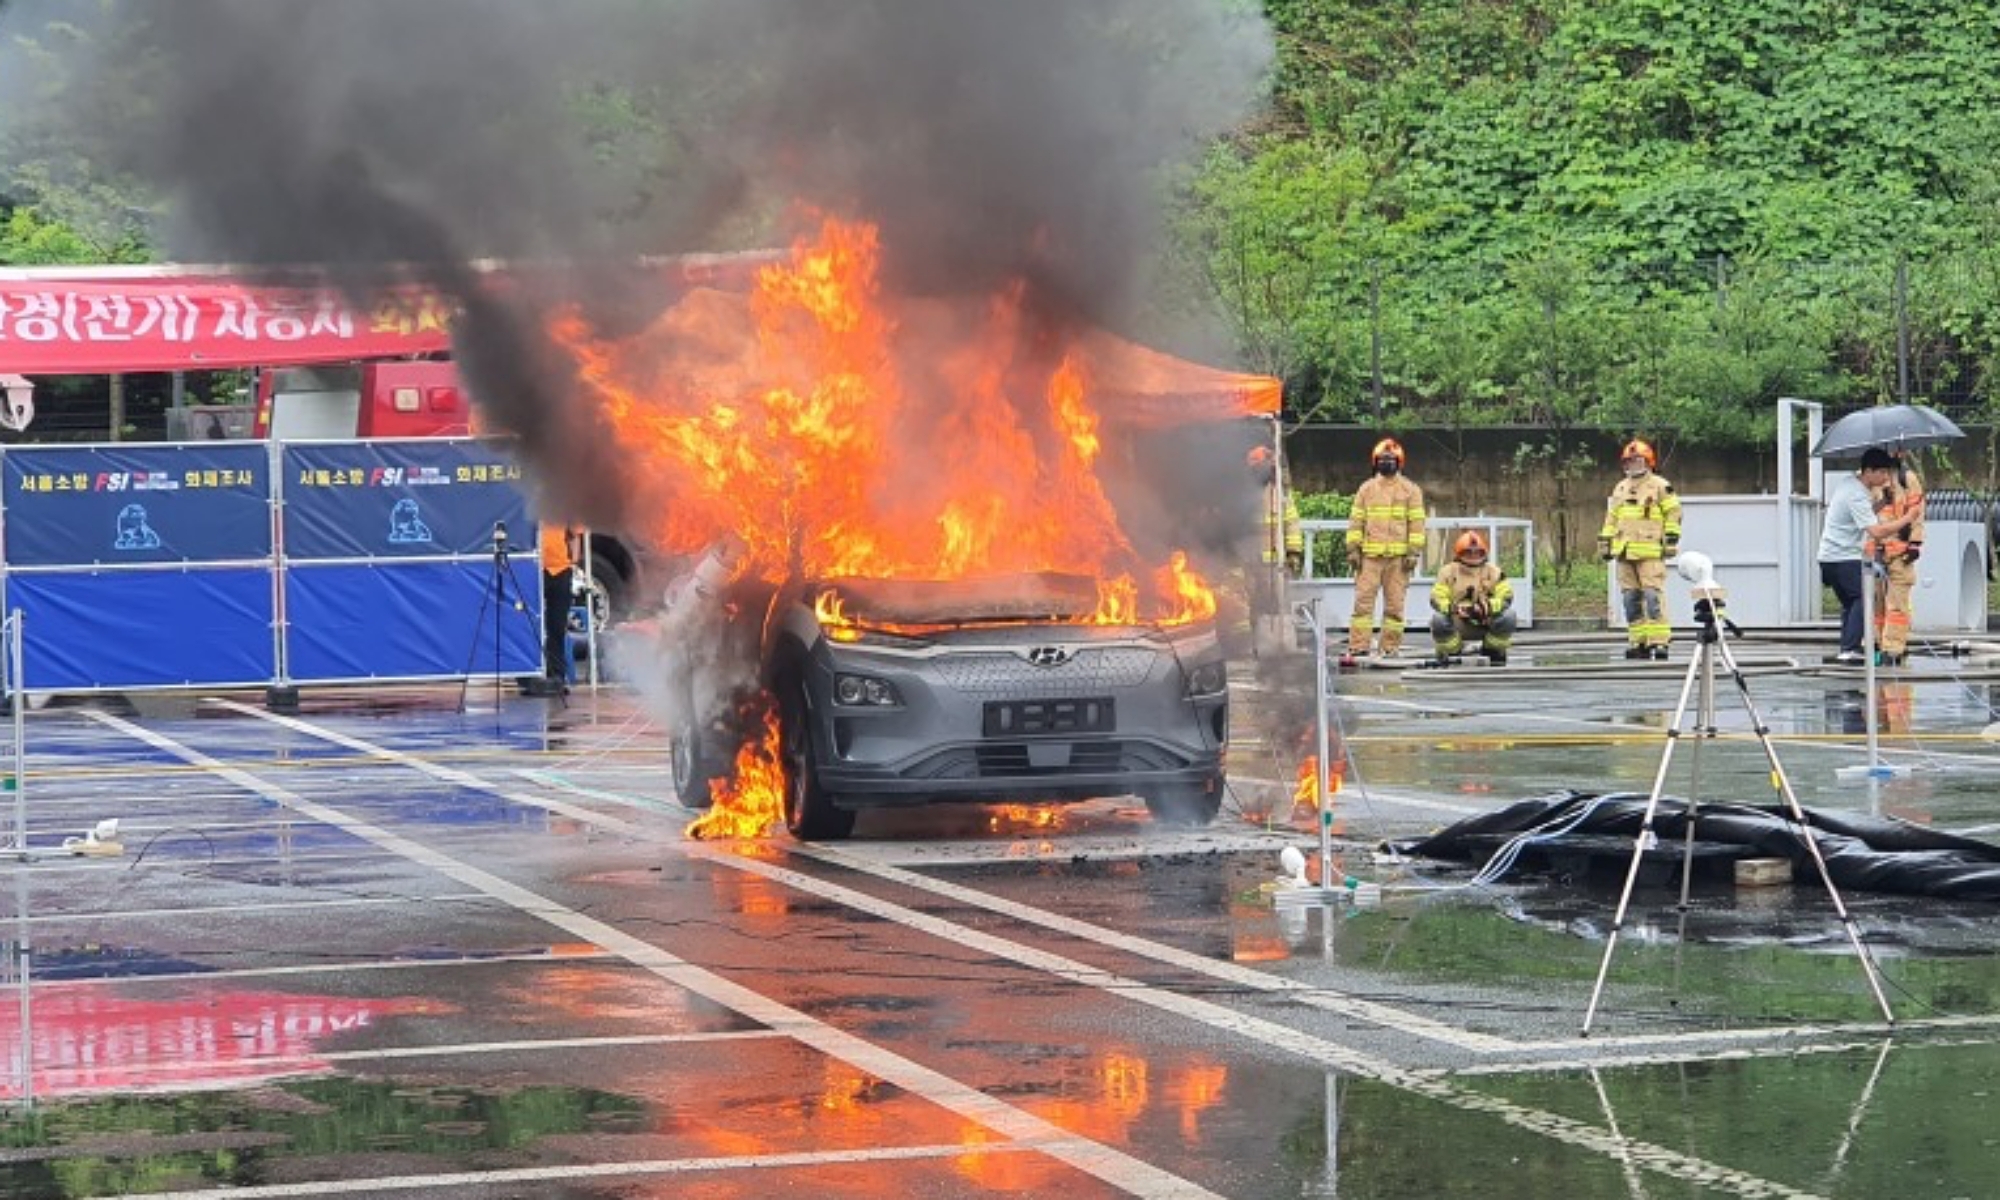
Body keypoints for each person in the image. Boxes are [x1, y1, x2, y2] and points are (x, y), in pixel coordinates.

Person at [1598, 438, 1681, 660]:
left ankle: (1660, 641)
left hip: (1650, 553)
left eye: (1638, 460)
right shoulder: (1621, 487)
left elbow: (1673, 513)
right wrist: (1605, 544)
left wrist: (1671, 539)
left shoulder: (1661, 486)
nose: (1633, 465)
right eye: (1629, 461)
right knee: (1630, 599)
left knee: (1653, 597)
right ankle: (1639, 641)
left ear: (1648, 462)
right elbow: (1611, 518)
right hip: (1624, 553)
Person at [1344, 437, 1427, 660]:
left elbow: (1417, 524)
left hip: (1398, 561)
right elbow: (1356, 521)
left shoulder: (1411, 490)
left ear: (1399, 461)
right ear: (1375, 461)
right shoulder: (1366, 489)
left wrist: (1413, 551)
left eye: (1390, 459)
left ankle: (1390, 648)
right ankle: (1359, 646)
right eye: (1382, 459)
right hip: (1369, 558)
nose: (1386, 462)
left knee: (1395, 608)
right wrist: (1353, 549)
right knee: (1362, 606)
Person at [1816, 450, 1898, 665]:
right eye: (1882, 473)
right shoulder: (1857, 493)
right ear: (1868, 471)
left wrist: (1882, 504)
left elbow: (1861, 514)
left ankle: (1847, 647)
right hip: (1842, 557)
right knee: (1862, 599)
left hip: (1831, 557)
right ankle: (1850, 649)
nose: (1886, 478)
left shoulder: (1849, 483)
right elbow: (1876, 531)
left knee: (1851, 603)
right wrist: (1907, 518)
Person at [1865, 449, 1926, 666]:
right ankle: (1874, 645)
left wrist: (1915, 542)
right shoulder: (1867, 478)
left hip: (1900, 552)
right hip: (1873, 551)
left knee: (1898, 604)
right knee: (1874, 603)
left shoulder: (1907, 479)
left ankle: (1893, 649)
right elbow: (1861, 512)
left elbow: (1917, 510)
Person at [1427, 531, 1516, 666]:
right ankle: (1452, 652)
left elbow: (1506, 596)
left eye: (1478, 552)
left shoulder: (1494, 572)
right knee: (1438, 620)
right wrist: (1454, 608)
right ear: (1459, 553)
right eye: (1468, 552)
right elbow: (1437, 597)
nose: (1474, 556)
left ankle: (1492, 650)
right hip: (1457, 621)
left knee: (1508, 617)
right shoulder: (1447, 572)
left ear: (1484, 552)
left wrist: (1486, 608)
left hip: (1485, 620)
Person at [540, 521, 578, 691]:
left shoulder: (562, 503)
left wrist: (573, 561)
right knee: (530, 622)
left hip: (561, 569)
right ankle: (530, 676)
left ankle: (557, 676)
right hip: (533, 566)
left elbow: (575, 533)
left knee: (556, 624)